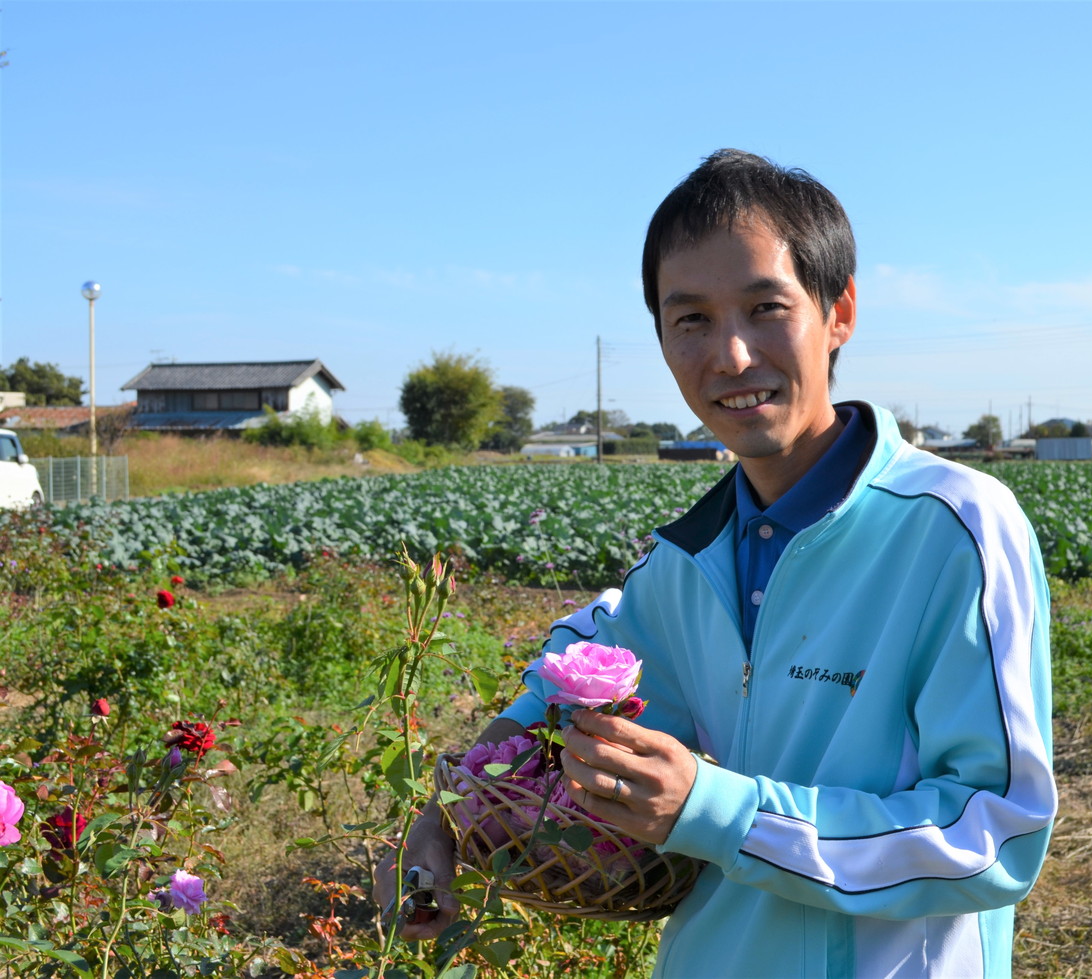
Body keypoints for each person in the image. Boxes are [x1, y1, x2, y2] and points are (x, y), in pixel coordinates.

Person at [375, 149, 1056, 977]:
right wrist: (442, 819)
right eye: (691, 319)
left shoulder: (952, 528)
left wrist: (718, 811)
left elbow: (995, 832)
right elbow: (567, 672)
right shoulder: (684, 561)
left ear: (839, 312)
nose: (730, 355)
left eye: (766, 308)